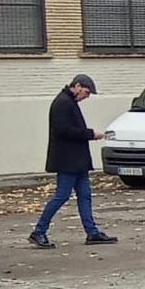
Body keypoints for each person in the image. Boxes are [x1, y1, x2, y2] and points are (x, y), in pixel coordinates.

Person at [29, 73, 116, 249]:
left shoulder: (69, 102)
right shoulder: (63, 103)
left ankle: (92, 232)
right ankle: (39, 231)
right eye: (86, 92)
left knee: (85, 196)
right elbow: (65, 131)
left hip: (76, 160)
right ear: (77, 86)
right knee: (61, 195)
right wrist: (91, 134)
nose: (87, 96)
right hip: (67, 159)